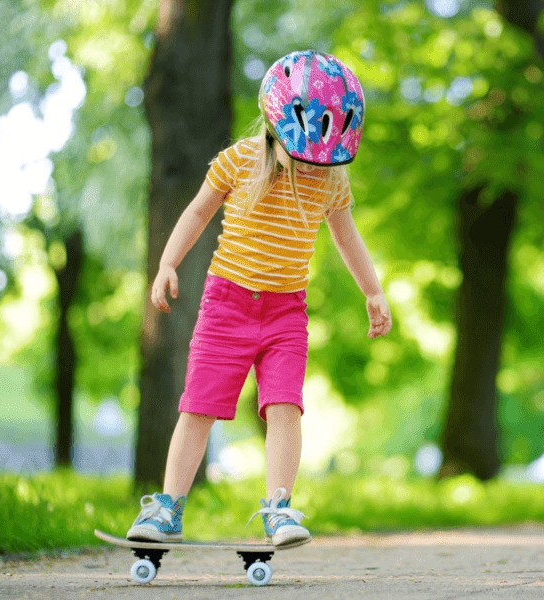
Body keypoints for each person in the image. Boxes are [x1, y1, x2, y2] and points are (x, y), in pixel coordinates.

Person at [126, 50, 391, 546]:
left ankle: (279, 509)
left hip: (287, 312)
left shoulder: (331, 176)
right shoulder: (241, 159)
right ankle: (166, 510)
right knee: (199, 407)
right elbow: (197, 212)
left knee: (285, 405)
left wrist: (373, 291)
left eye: (323, 153)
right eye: (305, 150)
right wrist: (166, 263)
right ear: (278, 123)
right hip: (226, 304)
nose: (314, 163)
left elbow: (347, 237)